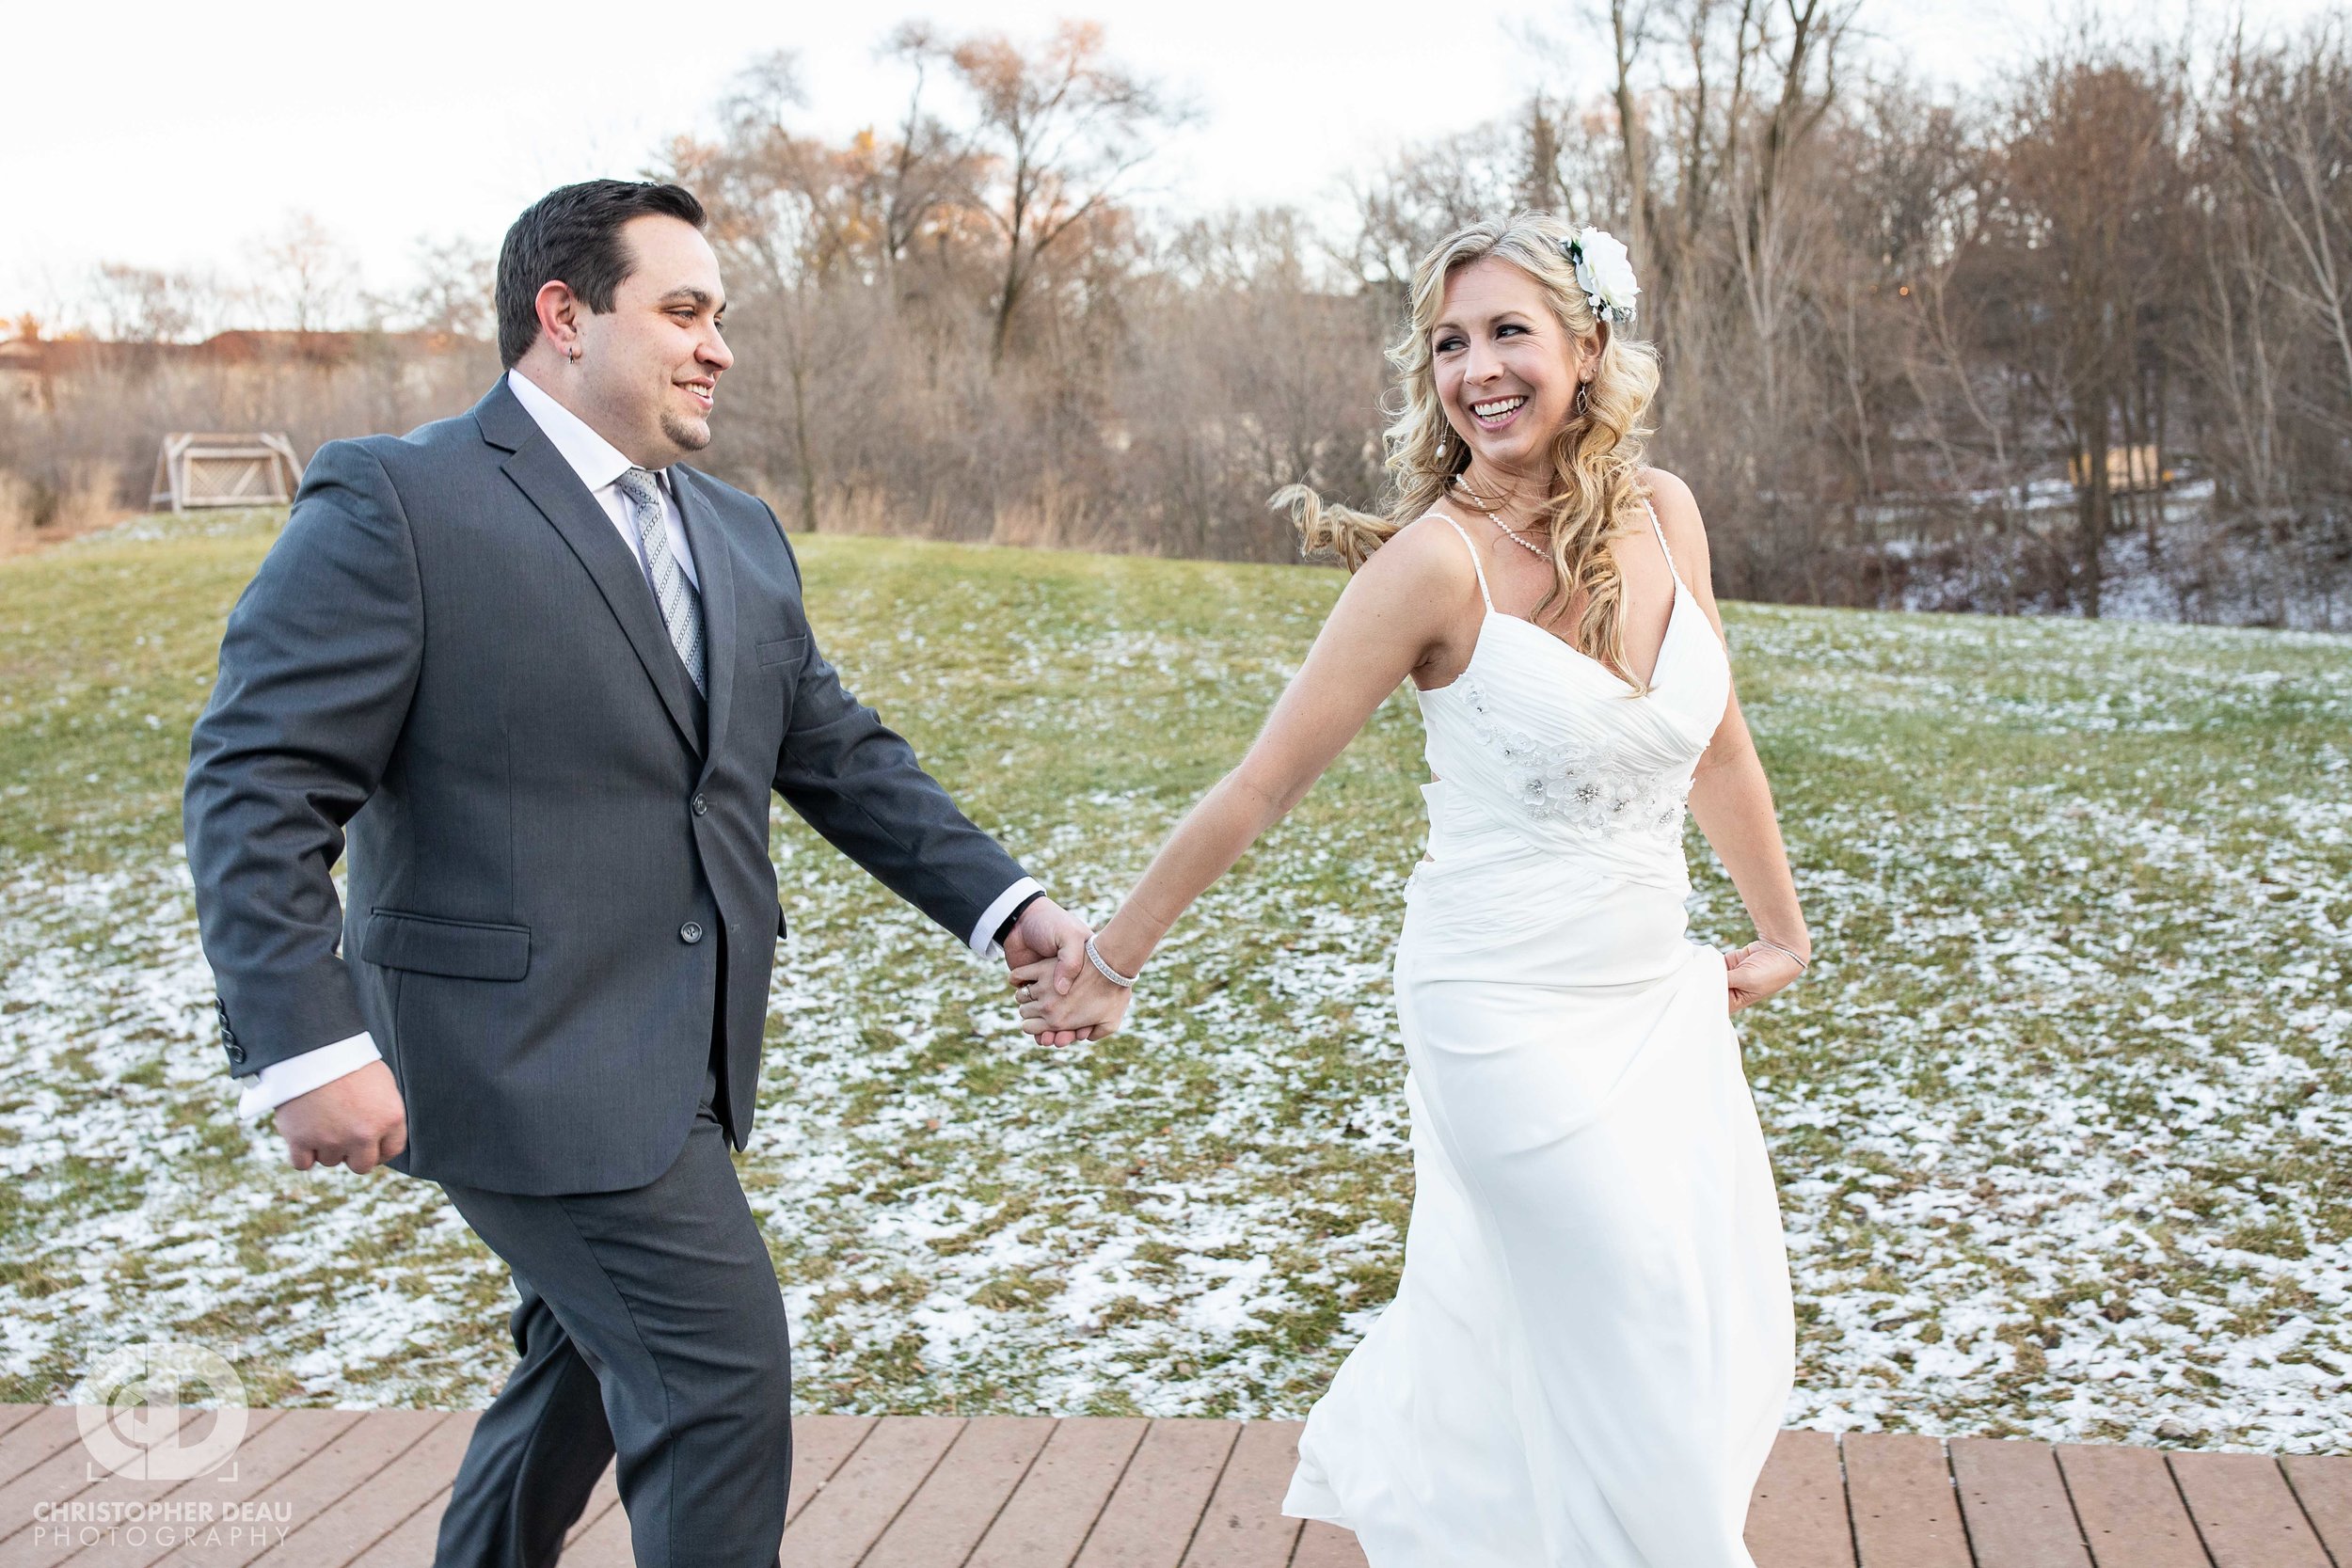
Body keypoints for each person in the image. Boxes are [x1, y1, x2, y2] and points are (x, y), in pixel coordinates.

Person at [183, 179, 1098, 1568]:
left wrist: (1008, 905)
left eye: (720, 315)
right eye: (682, 310)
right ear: (564, 318)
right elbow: (258, 780)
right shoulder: (402, 501)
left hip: (682, 1063)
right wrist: (303, 1045)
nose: (718, 345)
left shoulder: (737, 533)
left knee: (572, 1379)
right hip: (510, 1054)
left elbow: (836, 753)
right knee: (719, 1380)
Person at [1013, 213, 1807, 1566]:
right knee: (1622, 1316)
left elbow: (1717, 736)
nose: (1477, 370)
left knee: (1691, 1329)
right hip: (1496, 1013)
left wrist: (1781, 930)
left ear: (1589, 347)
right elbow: (1260, 784)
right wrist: (1117, 956)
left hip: (1650, 1002)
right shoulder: (1430, 566)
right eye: (1449, 343)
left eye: (1509, 333)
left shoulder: (1667, 517)